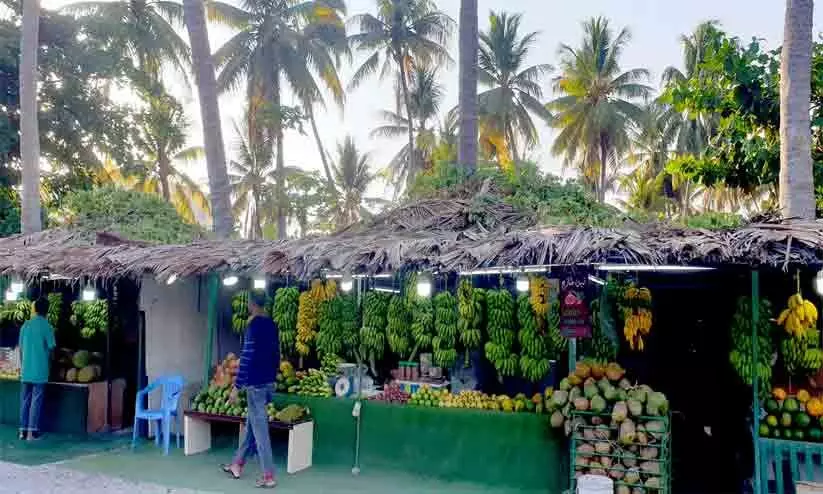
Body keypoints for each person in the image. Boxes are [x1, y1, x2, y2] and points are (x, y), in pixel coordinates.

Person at [222, 291, 279, 488]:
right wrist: (272, 380)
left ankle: (268, 475)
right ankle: (237, 463)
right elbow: (276, 356)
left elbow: (246, 358)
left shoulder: (253, 326)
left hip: (254, 385)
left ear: (252, 304)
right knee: (251, 428)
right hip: (268, 383)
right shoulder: (272, 325)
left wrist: (236, 387)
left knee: (260, 431)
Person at [18, 296, 55, 440]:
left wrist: (23, 365)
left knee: (25, 400)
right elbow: (52, 348)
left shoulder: (25, 325)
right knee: (36, 400)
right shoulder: (47, 326)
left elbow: (20, 349)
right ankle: (32, 432)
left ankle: (22, 431)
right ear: (47, 310)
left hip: (26, 370)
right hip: (40, 369)